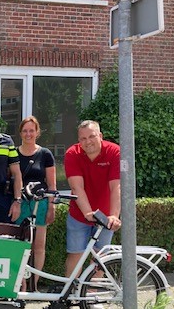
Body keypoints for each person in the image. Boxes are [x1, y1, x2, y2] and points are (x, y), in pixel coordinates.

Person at [64, 120, 121, 277]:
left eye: (91, 136)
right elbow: (77, 188)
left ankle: (92, 294)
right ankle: (71, 293)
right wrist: (88, 213)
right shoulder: (72, 154)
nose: (87, 142)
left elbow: (116, 186)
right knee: (76, 254)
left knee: (100, 256)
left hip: (105, 214)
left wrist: (114, 216)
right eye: (83, 138)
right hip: (79, 214)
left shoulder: (114, 152)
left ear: (100, 136)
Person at [13, 116, 57, 291]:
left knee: (39, 246)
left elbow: (52, 185)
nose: (28, 134)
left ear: (37, 132)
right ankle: (20, 284)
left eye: (32, 130)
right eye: (25, 130)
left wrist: (52, 206)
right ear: (20, 133)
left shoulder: (45, 154)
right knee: (20, 246)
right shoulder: (14, 153)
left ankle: (34, 285)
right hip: (20, 204)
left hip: (40, 204)